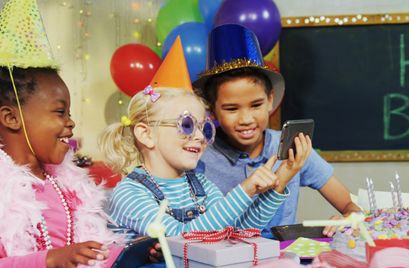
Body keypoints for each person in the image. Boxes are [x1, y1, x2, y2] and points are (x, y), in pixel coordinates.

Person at [101, 38, 311, 237]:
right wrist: (244, 190)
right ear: (145, 134)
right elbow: (180, 238)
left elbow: (237, 233)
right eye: (186, 125)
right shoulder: (130, 194)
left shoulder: (201, 185)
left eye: (205, 128)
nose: (200, 137)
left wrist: (283, 176)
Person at [193, 24, 361, 238]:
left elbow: (349, 203)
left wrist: (350, 217)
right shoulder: (199, 158)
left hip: (284, 261)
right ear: (212, 110)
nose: (246, 119)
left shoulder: (294, 148)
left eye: (256, 105)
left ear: (270, 100)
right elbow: (195, 231)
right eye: (231, 109)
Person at [0, 0, 123, 268]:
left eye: (69, 113)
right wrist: (50, 260)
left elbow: (83, 255)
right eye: (60, 112)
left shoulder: (66, 185)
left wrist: (128, 254)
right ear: (11, 117)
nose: (71, 123)